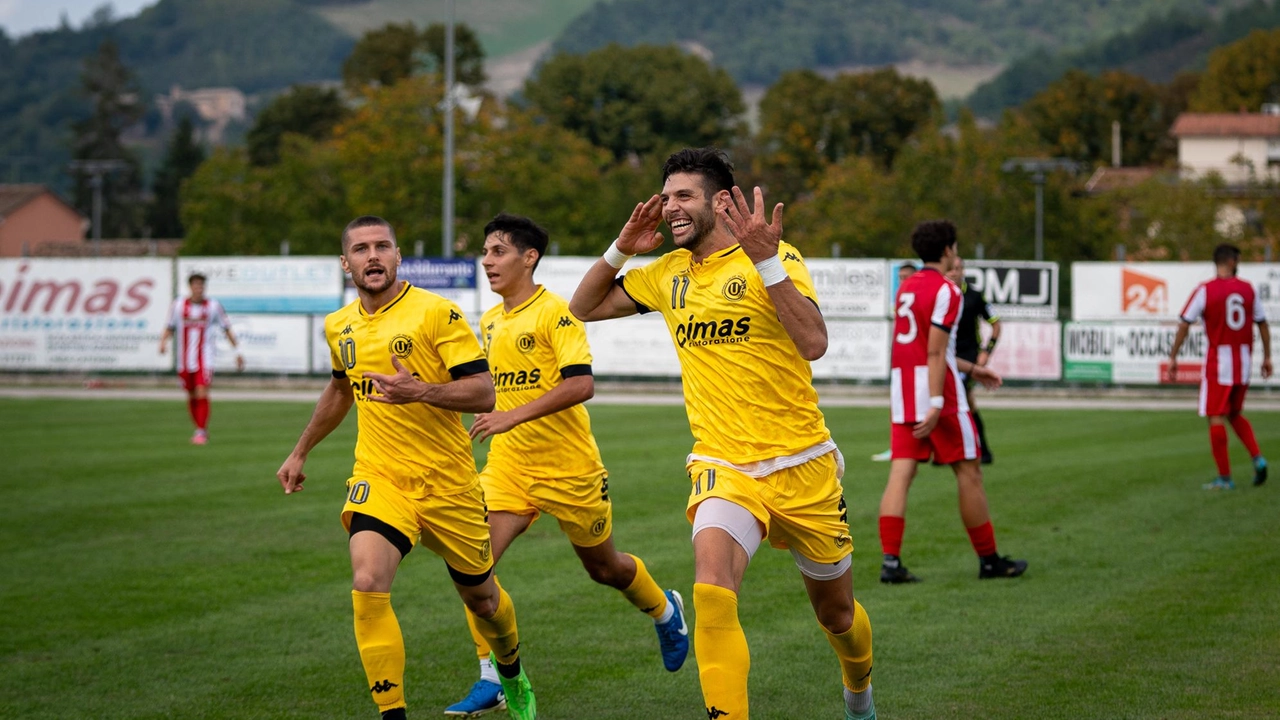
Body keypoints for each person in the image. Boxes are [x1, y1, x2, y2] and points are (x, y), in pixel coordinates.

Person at [570, 148, 876, 720]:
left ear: (720, 201)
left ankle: (858, 693)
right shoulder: (666, 274)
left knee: (836, 616)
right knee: (711, 585)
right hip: (724, 464)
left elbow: (813, 343)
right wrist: (620, 249)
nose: (670, 208)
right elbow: (582, 306)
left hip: (803, 463)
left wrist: (766, 263)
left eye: (683, 196)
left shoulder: (775, 257)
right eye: (666, 198)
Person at [275, 216, 536, 720]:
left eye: (381, 247)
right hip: (380, 476)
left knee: (483, 601)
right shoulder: (340, 325)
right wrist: (300, 450)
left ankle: (511, 669)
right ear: (345, 262)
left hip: (449, 485)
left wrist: (421, 391)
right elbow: (340, 388)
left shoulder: (437, 313)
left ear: (398, 257)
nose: (371, 256)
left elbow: (483, 392)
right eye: (360, 249)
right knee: (368, 582)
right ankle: (391, 713)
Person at [443, 213, 689, 717]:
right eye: (485, 252)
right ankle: (494, 674)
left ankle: (665, 610)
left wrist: (511, 415)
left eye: (497, 252)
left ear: (528, 257)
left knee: (605, 569)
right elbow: (497, 390)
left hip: (571, 470)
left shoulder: (555, 313)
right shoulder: (491, 321)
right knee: (472, 565)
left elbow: (581, 384)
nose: (486, 261)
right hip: (509, 467)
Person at [878, 220, 1026, 585]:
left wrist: (974, 369)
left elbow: (923, 349)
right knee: (970, 472)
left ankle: (890, 563)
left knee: (901, 473)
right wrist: (935, 401)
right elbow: (935, 351)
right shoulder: (948, 290)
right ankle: (989, 560)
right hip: (936, 394)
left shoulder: (907, 288)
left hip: (903, 389)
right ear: (947, 250)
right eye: (955, 249)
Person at [1168, 243, 1272, 490]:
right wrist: (1267, 357)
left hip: (1219, 363)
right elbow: (1263, 324)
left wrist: (1173, 356)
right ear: (1231, 260)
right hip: (1243, 361)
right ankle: (1258, 459)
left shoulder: (1206, 290)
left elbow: (1184, 322)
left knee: (1216, 416)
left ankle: (1225, 478)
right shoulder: (1248, 289)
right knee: (1234, 413)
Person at [158, 272, 243, 444]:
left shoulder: (213, 305)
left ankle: (201, 431)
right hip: (184, 359)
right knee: (191, 395)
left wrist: (237, 352)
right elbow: (170, 326)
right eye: (196, 285)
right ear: (190, 287)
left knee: (202, 391)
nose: (199, 289)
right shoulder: (179, 305)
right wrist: (163, 342)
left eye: (201, 285)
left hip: (205, 359)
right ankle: (198, 428)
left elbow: (226, 328)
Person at [948, 257, 1000, 464]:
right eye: (950, 269)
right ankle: (952, 451)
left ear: (963, 271)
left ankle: (981, 450)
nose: (954, 272)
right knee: (955, 400)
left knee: (962, 398)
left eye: (958, 269)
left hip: (967, 355)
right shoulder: (940, 296)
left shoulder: (975, 296)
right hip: (945, 354)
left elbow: (995, 324)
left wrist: (986, 351)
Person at [871, 262, 919, 462]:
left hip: (923, 361)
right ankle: (897, 447)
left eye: (907, 277)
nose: (903, 281)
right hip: (904, 360)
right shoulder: (900, 299)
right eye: (900, 277)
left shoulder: (921, 297)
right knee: (898, 403)